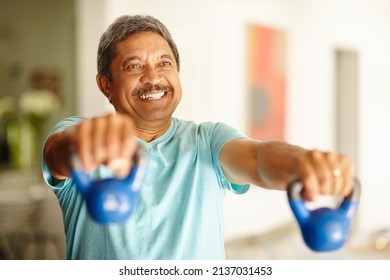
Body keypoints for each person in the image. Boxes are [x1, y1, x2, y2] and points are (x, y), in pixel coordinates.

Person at [42, 15, 355, 260]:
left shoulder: (208, 140)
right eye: (134, 66)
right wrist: (85, 143)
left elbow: (259, 158)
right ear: (106, 85)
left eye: (164, 63)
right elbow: (61, 153)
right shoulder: (77, 134)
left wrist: (303, 164)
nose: (153, 77)